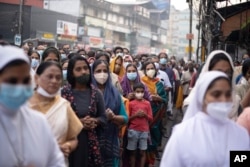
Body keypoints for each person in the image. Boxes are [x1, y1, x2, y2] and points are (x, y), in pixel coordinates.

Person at [160, 71, 250, 167]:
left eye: (228, 94)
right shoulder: (183, 134)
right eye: (216, 94)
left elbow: (241, 161)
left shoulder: (240, 133)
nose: (223, 99)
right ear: (202, 97)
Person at [0, 45, 65, 166]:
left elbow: (56, 161)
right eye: (12, 81)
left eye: (25, 81)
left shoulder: (38, 122)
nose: (20, 87)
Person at [27, 61, 83, 160]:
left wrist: (68, 146)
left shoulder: (64, 105)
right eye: (50, 76)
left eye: (58, 78)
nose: (54, 81)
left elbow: (73, 139)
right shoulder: (24, 105)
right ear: (36, 78)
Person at [61, 56, 107, 167]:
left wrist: (94, 121)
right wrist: (80, 122)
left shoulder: (96, 93)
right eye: (78, 69)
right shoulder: (64, 93)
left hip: (91, 145)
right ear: (71, 73)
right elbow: (59, 119)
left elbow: (103, 118)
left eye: (85, 68)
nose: (83, 72)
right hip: (70, 144)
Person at [92, 59, 128, 167]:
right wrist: (102, 118)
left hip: (111, 141)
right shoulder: (87, 93)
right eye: (98, 71)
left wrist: (113, 117)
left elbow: (125, 118)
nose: (102, 74)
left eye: (105, 71)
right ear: (92, 73)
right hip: (92, 142)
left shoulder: (114, 93)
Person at [183, 50, 235, 118]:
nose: (223, 76)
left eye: (228, 72)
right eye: (218, 72)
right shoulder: (194, 100)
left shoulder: (235, 98)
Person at [140, 62, 167, 166]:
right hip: (143, 114)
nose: (150, 70)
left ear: (155, 70)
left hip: (155, 115)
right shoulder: (141, 82)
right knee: (143, 137)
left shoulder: (159, 83)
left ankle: (151, 160)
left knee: (154, 134)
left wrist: (158, 98)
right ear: (145, 70)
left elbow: (164, 99)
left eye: (152, 68)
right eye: (148, 68)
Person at [127, 83, 153, 167]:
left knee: (142, 151)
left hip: (144, 131)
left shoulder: (147, 104)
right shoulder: (130, 103)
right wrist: (136, 115)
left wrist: (145, 115)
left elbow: (150, 118)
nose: (140, 93)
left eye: (142, 92)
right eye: (138, 91)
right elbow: (127, 119)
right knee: (133, 152)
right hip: (133, 130)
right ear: (134, 92)